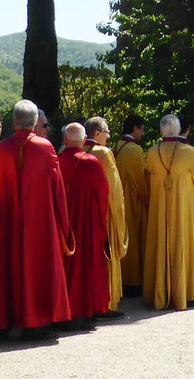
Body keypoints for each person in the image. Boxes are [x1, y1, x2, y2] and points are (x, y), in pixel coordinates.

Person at [0, 98, 73, 337]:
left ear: (13, 121)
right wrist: (63, 223)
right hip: (39, 222)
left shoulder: (2, 149)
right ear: (34, 122)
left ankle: (4, 321)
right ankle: (35, 322)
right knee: (37, 267)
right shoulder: (45, 147)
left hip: (7, 220)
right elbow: (58, 189)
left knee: (8, 267)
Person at [142, 114, 194, 310]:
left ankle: (160, 291)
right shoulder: (189, 152)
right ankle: (188, 292)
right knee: (186, 246)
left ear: (161, 131)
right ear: (179, 130)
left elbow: (147, 183)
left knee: (161, 244)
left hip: (160, 208)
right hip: (185, 208)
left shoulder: (152, 153)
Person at [58, 122, 112, 324]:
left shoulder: (55, 161)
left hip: (61, 223)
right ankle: (85, 310)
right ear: (83, 141)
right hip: (86, 223)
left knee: (62, 266)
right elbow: (103, 194)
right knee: (86, 266)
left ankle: (62, 310)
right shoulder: (91, 163)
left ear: (65, 140)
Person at [84, 116, 128, 319]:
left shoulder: (80, 149)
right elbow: (114, 188)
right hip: (105, 212)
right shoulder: (103, 153)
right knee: (106, 257)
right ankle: (107, 302)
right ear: (96, 133)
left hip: (85, 213)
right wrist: (120, 213)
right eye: (107, 132)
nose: (109, 136)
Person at [114, 115, 148, 296]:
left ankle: (122, 280)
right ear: (134, 128)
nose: (142, 133)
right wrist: (148, 198)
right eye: (141, 129)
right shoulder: (134, 149)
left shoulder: (117, 146)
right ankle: (134, 281)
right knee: (133, 241)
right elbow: (140, 179)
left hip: (119, 198)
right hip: (133, 201)